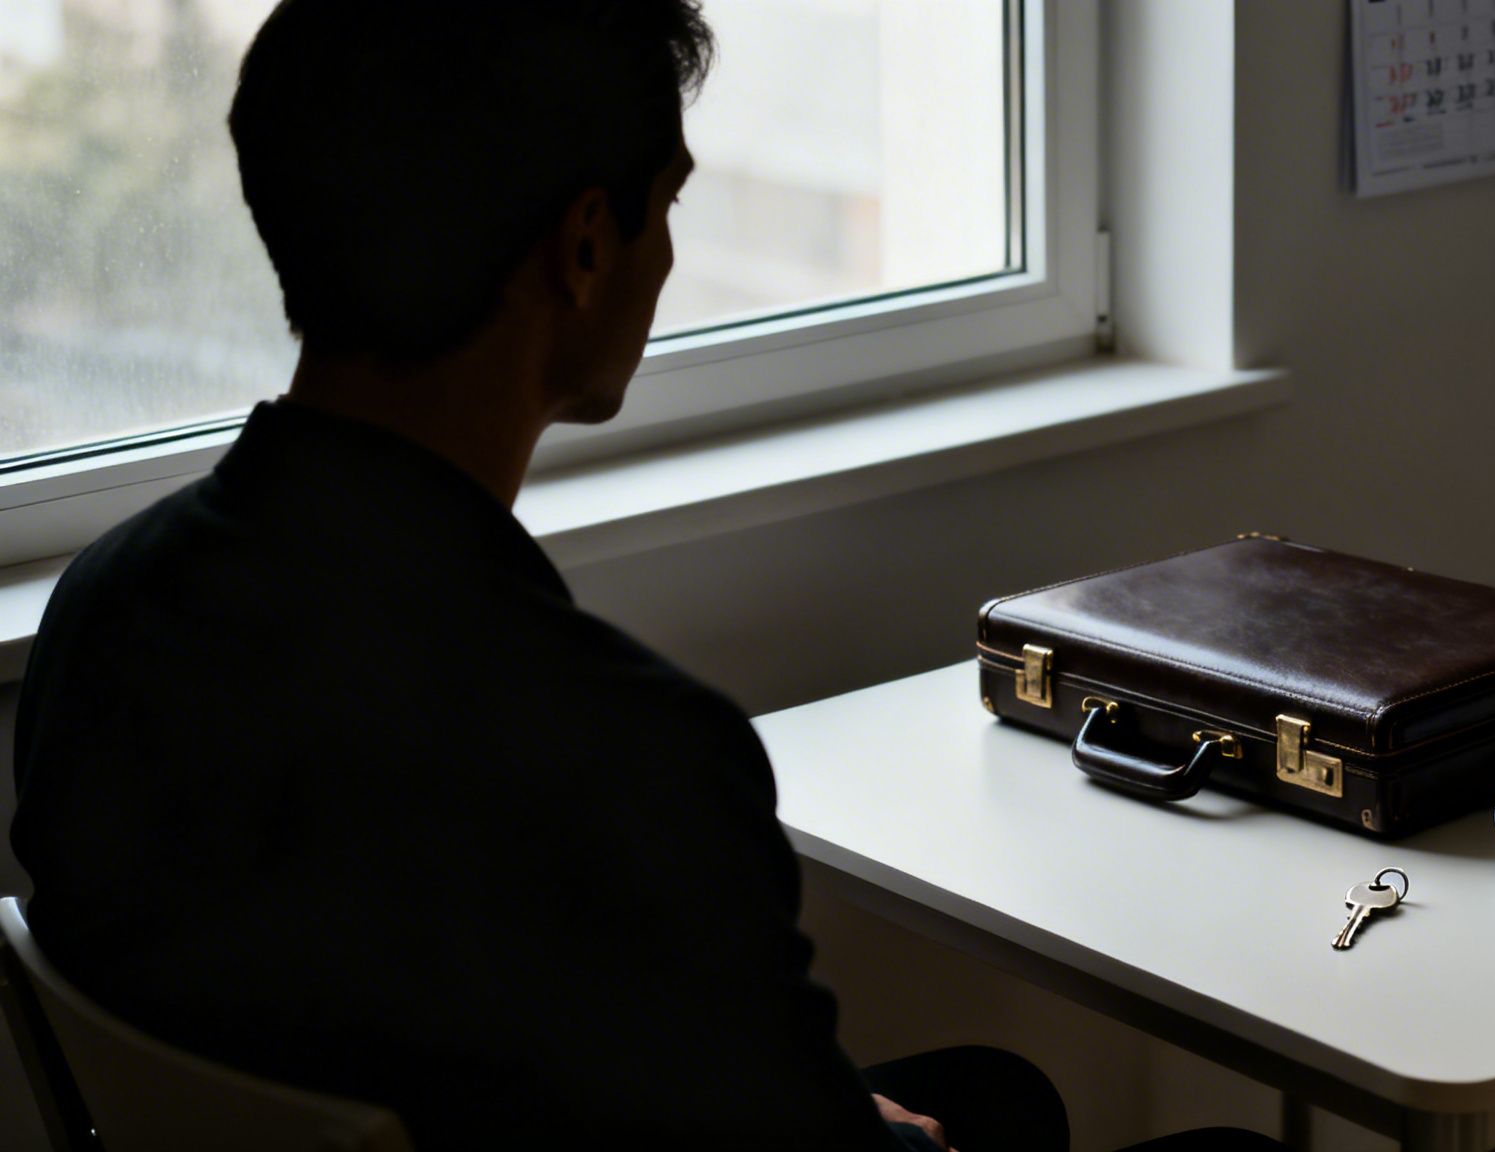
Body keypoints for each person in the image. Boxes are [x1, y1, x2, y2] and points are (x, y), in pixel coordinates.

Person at [10, 2, 1283, 1149]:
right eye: (664, 206)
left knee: (999, 1095)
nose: (667, 254)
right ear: (582, 245)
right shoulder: (622, 756)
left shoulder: (108, 609)